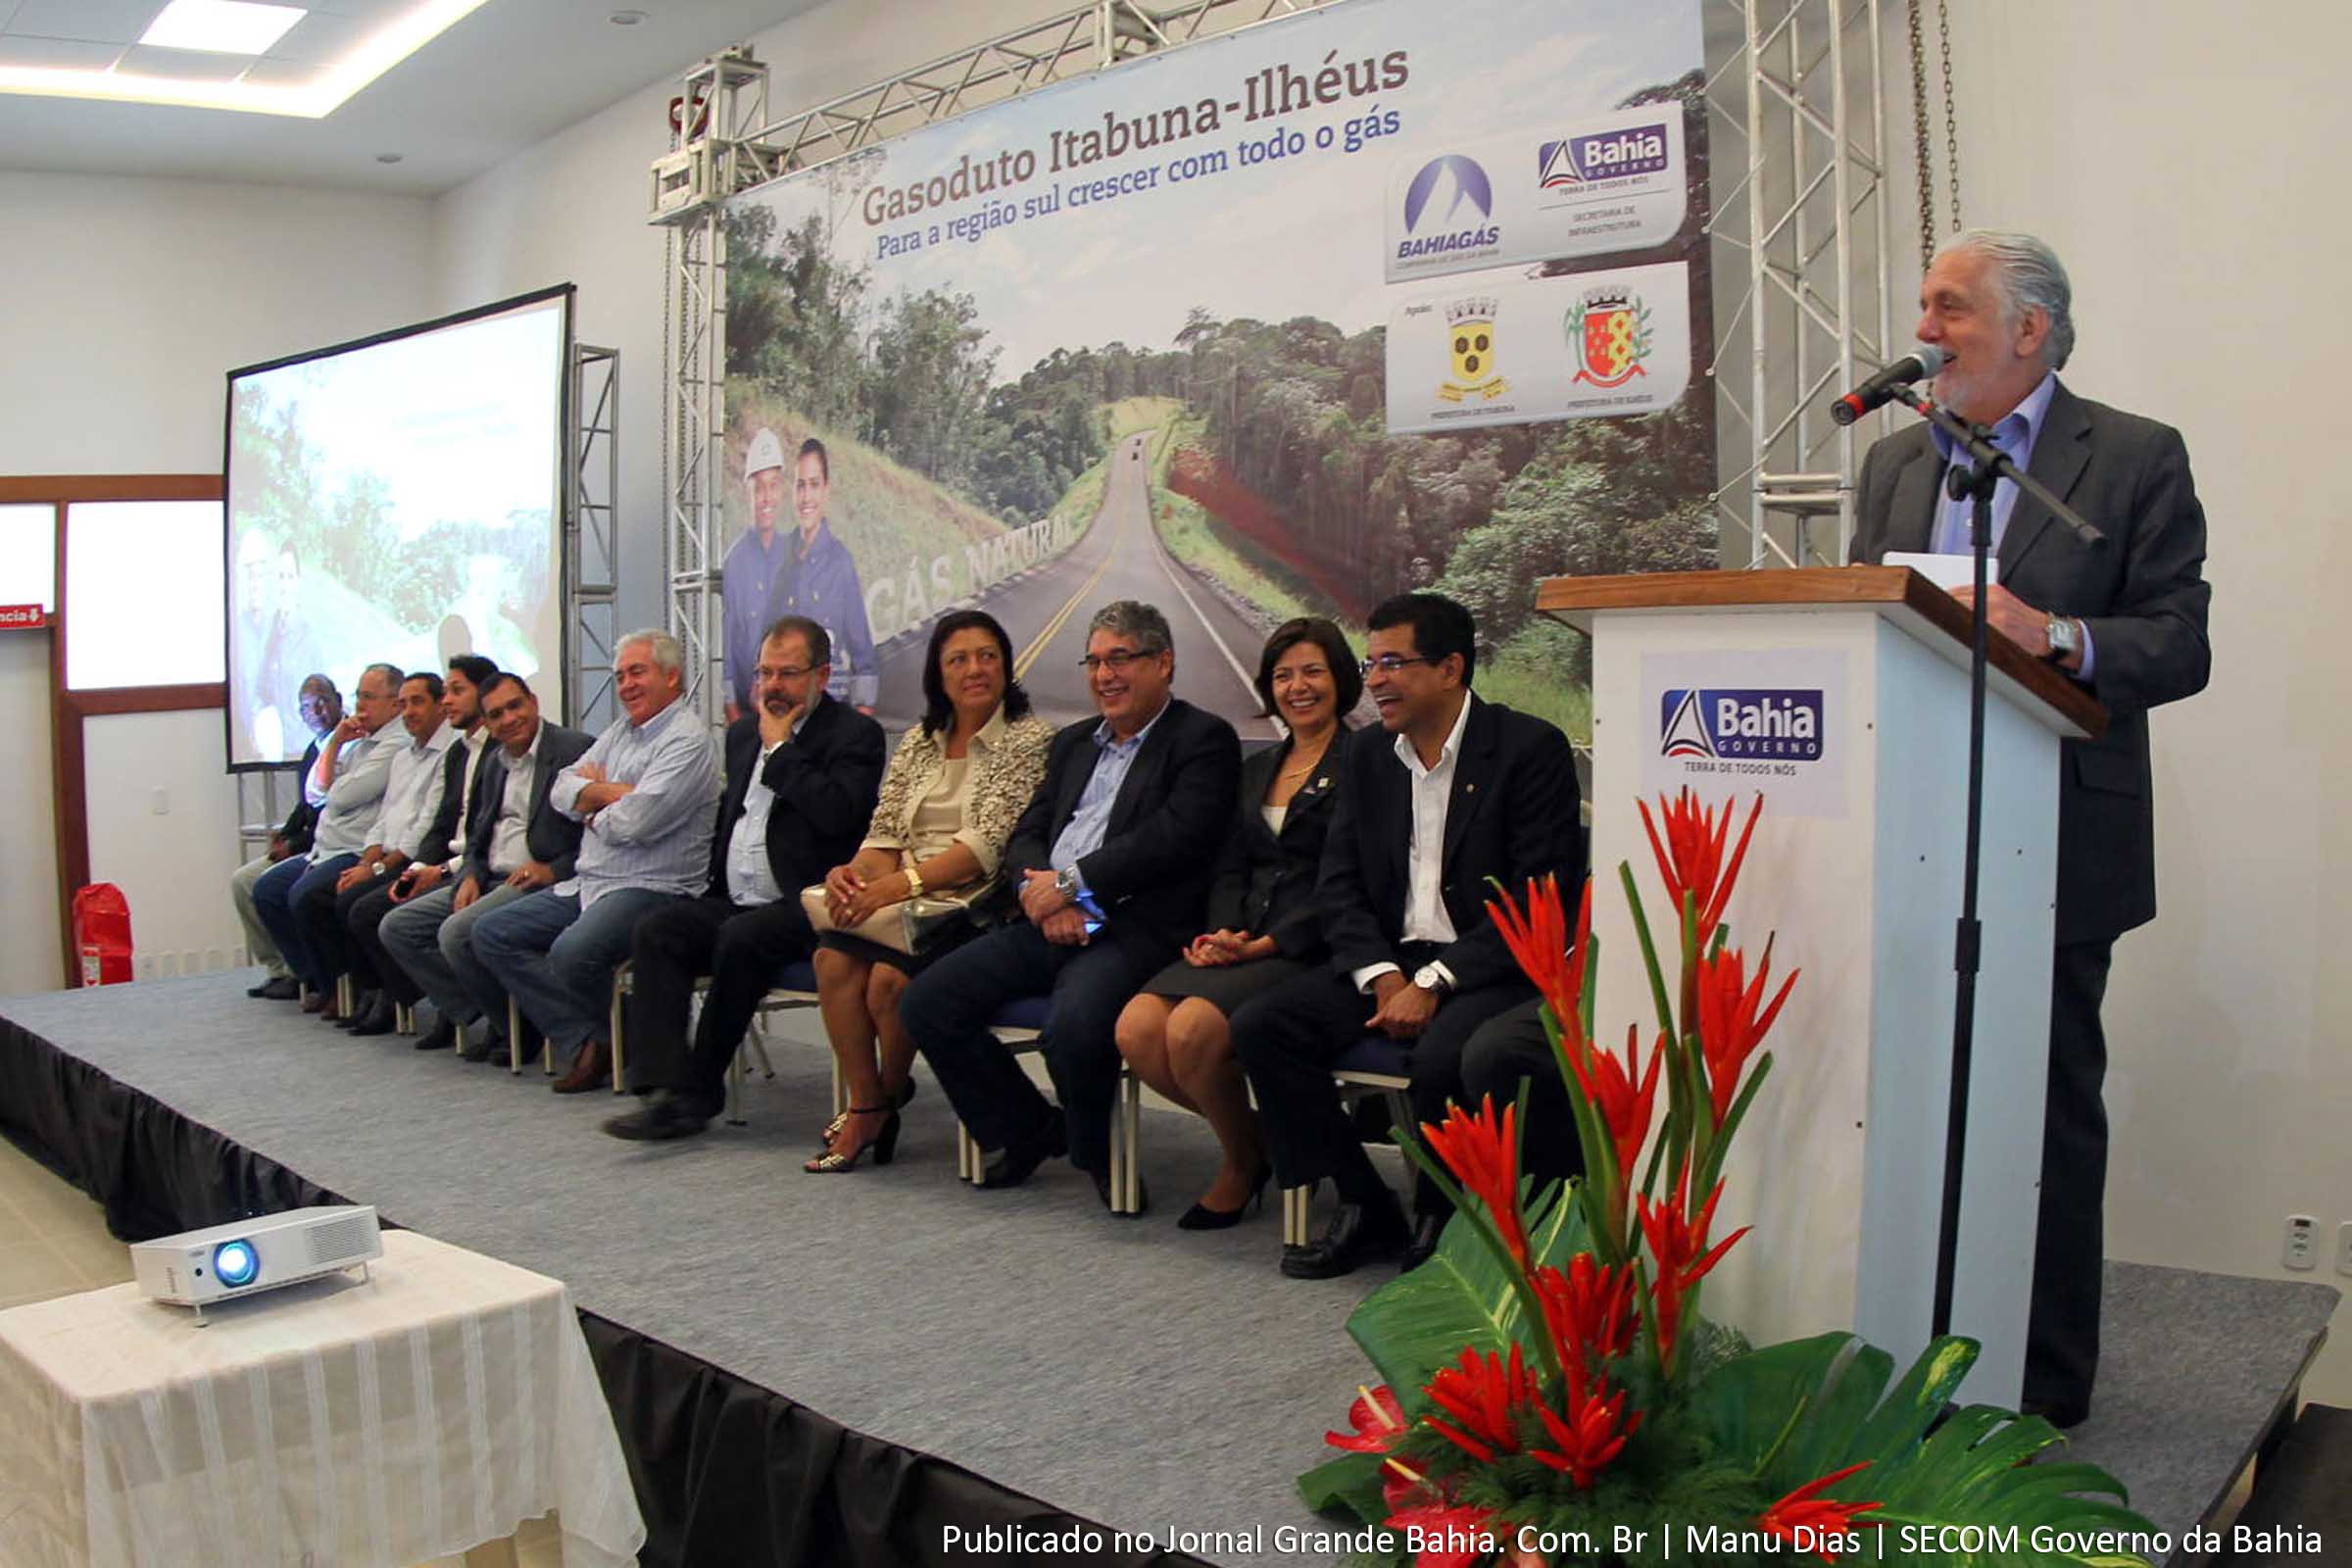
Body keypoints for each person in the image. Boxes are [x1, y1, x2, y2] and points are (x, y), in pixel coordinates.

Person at [1850, 229, 2210, 1428]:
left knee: (2045, 1102)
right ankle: (1902, 1347)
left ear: (2029, 329)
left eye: (1948, 308)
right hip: (1906, 829)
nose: (1924, 331)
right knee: (1904, 1091)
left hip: (2056, 834)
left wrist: (2054, 634)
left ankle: (2042, 1382)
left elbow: (2181, 639)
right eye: (1924, 307)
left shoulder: (2133, 457)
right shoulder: (1897, 463)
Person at [1234, 593, 1584, 1279]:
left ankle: (1441, 1212)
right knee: (1263, 1027)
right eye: (1372, 664)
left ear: (1451, 668)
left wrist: (1433, 983)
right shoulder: (1368, 755)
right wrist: (1385, 976)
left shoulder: (1527, 749)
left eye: (1394, 663)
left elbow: (1537, 898)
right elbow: (1339, 885)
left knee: (1444, 1057)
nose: (1377, 680)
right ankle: (1364, 1201)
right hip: (1392, 963)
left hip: (1488, 969)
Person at [900, 601, 1241, 1214]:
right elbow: (1030, 829)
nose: (1105, 675)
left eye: (1121, 659)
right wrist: (1042, 892)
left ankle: (1099, 1155)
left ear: (1162, 663)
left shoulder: (1202, 739)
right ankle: (1031, 1130)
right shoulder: (1074, 742)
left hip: (1131, 927)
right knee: (926, 1002)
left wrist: (1073, 886)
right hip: (1046, 916)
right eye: (1095, 661)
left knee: (1074, 1028)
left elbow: (1172, 839)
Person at [1113, 617, 1359, 1228]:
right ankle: (1257, 1140)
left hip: (1309, 947)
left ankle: (1237, 1165)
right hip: (1241, 940)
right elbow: (1229, 866)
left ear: (1341, 680)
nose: (1296, 687)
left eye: (1311, 672)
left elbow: (1349, 879)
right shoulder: (1258, 766)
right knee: (1139, 1029)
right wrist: (1222, 933)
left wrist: (1269, 942)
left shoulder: (1367, 762)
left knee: (1191, 1030)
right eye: (1282, 676)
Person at [601, 617, 886, 1142]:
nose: (772, 686)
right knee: (658, 929)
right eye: (764, 674)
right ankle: (660, 1088)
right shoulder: (739, 735)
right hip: (737, 897)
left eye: (788, 674)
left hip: (810, 900)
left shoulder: (854, 735)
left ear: (821, 677)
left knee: (741, 939)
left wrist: (780, 752)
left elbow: (839, 814)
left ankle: (697, 1094)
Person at [799, 609, 1054, 1172]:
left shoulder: (1029, 740)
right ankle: (870, 1104)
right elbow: (885, 830)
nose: (974, 670)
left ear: (1007, 666)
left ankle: (876, 1110)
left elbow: (986, 846)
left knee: (888, 981)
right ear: (939, 674)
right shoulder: (919, 739)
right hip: (901, 898)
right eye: (958, 660)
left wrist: (892, 887)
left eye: (987, 656)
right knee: (831, 962)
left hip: (975, 904)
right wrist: (855, 874)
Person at [471, 630, 722, 1093]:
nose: (626, 685)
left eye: (637, 672)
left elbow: (637, 823)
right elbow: (560, 790)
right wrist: (607, 796)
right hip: (590, 881)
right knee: (490, 934)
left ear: (672, 676)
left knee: (571, 953)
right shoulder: (621, 731)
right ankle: (594, 1039)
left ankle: (614, 1043)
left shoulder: (688, 741)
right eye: (620, 675)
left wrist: (591, 808)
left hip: (653, 888)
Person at [378, 672, 592, 1061]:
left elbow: (594, 838)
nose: (509, 719)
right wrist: (470, 875)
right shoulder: (495, 761)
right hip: (489, 875)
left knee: (457, 933)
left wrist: (554, 869)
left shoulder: (573, 750)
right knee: (398, 927)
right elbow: (476, 836)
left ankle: (519, 1025)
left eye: (515, 706)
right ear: (488, 723)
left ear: (533, 703)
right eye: (496, 714)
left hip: (536, 878)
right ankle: (506, 1015)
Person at [346, 655, 500, 1043]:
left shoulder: (501, 751)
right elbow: (441, 823)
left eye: (455, 691)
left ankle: (481, 1011)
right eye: (446, 691)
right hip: (445, 862)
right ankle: (455, 1006)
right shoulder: (460, 752)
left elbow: (484, 835)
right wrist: (417, 867)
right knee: (363, 907)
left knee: (378, 913)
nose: (448, 701)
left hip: (479, 868)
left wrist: (434, 869)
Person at [297, 670, 454, 1031]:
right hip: (376, 853)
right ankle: (373, 988)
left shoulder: (444, 753)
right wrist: (370, 861)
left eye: (416, 702)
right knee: (344, 896)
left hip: (419, 860)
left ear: (439, 708)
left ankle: (394, 993)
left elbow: (424, 826)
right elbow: (382, 821)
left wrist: (380, 868)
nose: (408, 711)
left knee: (360, 908)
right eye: (403, 704)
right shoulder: (402, 755)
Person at [252, 662, 404, 1012]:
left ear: (394, 704)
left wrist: (333, 771)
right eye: (359, 696)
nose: (360, 706)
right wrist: (335, 742)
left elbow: (337, 796)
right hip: (326, 848)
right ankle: (316, 978)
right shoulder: (358, 739)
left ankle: (344, 983)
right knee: (267, 889)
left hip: (356, 849)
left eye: (368, 697)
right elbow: (314, 793)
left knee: (304, 895)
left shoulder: (394, 742)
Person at [235, 673, 339, 1001]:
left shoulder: (349, 745)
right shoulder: (314, 749)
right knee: (242, 881)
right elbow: (305, 805)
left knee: (270, 885)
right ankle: (279, 968)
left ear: (338, 701)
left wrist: (295, 843)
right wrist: (286, 834)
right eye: (308, 706)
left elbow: (332, 811)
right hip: (307, 843)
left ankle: (304, 974)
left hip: (328, 846)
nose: (317, 711)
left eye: (323, 701)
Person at [777, 438, 878, 713]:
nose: (806, 497)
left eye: (814, 484)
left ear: (826, 490)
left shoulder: (840, 561)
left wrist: (862, 721)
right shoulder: (780, 556)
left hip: (828, 710)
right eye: (800, 485)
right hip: (781, 713)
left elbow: (862, 652)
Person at [721, 427, 792, 721]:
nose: (766, 497)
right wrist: (735, 716)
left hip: (794, 709)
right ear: (746, 491)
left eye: (773, 486)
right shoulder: (734, 562)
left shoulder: (794, 553)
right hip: (751, 713)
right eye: (758, 487)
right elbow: (725, 646)